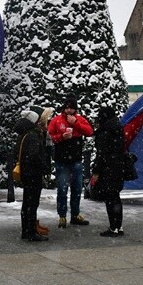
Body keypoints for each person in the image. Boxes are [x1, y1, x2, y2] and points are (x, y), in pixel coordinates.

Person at [48, 96, 94, 228]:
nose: (69, 110)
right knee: (62, 189)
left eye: (71, 107)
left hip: (76, 160)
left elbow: (90, 132)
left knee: (77, 189)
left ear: (75, 108)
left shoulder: (79, 119)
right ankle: (62, 216)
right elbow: (50, 137)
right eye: (67, 107)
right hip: (62, 160)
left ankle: (75, 214)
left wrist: (75, 123)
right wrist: (61, 137)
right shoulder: (56, 120)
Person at [15, 105, 53, 242]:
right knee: (31, 203)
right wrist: (44, 168)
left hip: (27, 173)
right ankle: (30, 232)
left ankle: (27, 229)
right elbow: (34, 156)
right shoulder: (32, 136)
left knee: (27, 202)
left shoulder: (24, 134)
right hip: (33, 174)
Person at [92, 106, 127, 237]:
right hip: (118, 167)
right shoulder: (118, 129)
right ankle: (119, 226)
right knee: (116, 197)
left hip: (107, 169)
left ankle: (113, 227)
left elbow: (101, 154)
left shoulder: (104, 132)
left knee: (110, 198)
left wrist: (96, 171)